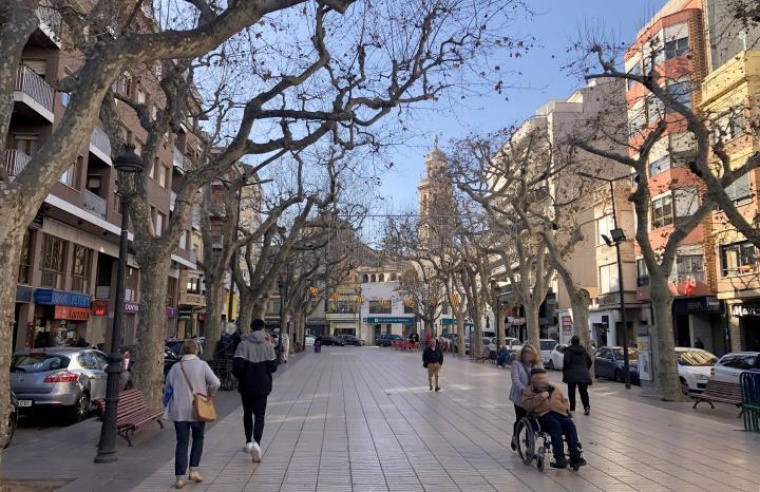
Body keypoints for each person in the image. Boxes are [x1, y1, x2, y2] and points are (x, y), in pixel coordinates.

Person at [163, 339, 221, 489]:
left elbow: (168, 387)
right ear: (197, 350)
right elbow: (216, 383)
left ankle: (180, 477)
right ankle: (194, 470)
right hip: (198, 409)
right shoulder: (202, 365)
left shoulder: (175, 367)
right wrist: (209, 395)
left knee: (181, 442)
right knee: (198, 438)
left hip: (178, 409)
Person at [233, 318, 279, 463]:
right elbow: (273, 367)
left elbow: (237, 367)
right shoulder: (268, 346)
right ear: (263, 328)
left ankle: (248, 441)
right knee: (260, 414)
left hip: (246, 385)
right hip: (263, 386)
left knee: (247, 413)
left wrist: (243, 377)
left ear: (251, 328)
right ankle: (257, 442)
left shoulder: (242, 345)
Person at [522, 368, 586, 470]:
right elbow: (528, 406)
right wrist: (542, 396)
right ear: (533, 380)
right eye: (538, 379)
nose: (541, 381)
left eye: (543, 378)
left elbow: (564, 400)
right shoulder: (528, 391)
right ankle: (559, 457)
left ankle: (575, 457)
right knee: (554, 424)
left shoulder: (554, 389)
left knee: (570, 424)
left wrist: (565, 409)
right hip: (540, 417)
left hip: (558, 414)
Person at [509, 344, 541, 451]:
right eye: (526, 352)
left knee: (530, 421)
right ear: (522, 353)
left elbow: (542, 377)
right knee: (520, 419)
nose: (528, 354)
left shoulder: (537, 365)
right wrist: (523, 390)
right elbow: (515, 379)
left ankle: (529, 446)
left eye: (530, 352)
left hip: (533, 398)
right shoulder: (516, 364)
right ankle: (515, 437)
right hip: (519, 397)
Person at [562, 335, 593, 415]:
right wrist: (585, 369)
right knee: (583, 392)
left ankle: (572, 407)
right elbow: (590, 361)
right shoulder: (583, 350)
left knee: (571, 391)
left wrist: (566, 370)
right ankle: (586, 407)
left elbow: (566, 362)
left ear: (571, 341)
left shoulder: (568, 350)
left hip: (572, 374)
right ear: (579, 341)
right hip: (583, 374)